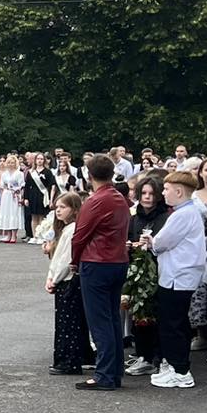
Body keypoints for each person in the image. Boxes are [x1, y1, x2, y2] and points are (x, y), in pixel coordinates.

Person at [70, 155, 131, 391]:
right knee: (113, 318)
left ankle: (104, 373)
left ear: (89, 175)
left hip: (96, 262)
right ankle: (114, 371)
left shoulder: (95, 200)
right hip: (118, 261)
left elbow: (80, 235)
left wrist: (74, 261)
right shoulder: (119, 198)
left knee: (100, 321)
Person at [142, 170, 207, 389]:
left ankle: (180, 370)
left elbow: (161, 243)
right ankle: (175, 365)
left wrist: (150, 240)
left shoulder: (182, 214)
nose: (164, 193)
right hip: (178, 275)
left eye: (167, 189)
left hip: (178, 277)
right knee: (174, 323)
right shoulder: (186, 212)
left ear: (179, 191)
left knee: (173, 324)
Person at [44, 191, 87, 376]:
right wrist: (50, 276)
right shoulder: (66, 229)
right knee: (63, 323)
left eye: (63, 207)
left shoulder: (73, 230)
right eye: (57, 207)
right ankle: (64, 359)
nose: (58, 211)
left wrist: (55, 279)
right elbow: (57, 259)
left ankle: (69, 361)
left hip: (67, 281)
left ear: (74, 209)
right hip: (61, 279)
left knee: (69, 323)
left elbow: (66, 261)